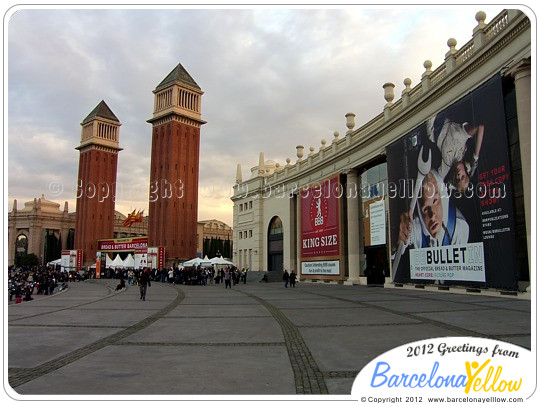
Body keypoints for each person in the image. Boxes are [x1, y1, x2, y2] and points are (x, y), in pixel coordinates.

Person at [398, 170, 469, 249]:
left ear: (443, 198)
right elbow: (395, 251)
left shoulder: (459, 227)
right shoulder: (414, 226)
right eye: (425, 209)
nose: (432, 215)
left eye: (435, 201)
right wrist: (396, 241)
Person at [427, 114, 484, 193]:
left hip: (431, 123)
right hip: (441, 114)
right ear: (466, 172)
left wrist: (452, 186)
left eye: (457, 179)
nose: (459, 175)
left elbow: (435, 186)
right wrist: (475, 158)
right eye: (462, 177)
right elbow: (480, 128)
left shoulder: (446, 166)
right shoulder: (463, 142)